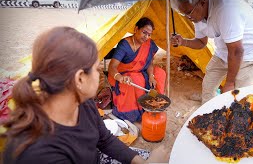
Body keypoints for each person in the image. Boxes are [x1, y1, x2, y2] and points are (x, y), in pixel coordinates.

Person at [2, 27, 168, 164]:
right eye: (96, 69)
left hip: (96, 158)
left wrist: (142, 163)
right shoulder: (37, 153)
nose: (98, 75)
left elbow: (104, 139)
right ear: (80, 78)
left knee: (146, 156)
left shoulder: (83, 102)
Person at [170, 0, 253, 104]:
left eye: (188, 13)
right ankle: (208, 104)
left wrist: (229, 83)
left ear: (202, 3)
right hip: (226, 48)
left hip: (250, 50)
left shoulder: (226, 9)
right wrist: (183, 41)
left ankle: (230, 114)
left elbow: (237, 51)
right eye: (184, 14)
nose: (188, 18)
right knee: (209, 81)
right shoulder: (197, 14)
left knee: (237, 93)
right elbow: (201, 42)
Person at [108, 17, 166, 123]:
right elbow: (112, 67)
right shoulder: (125, 44)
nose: (146, 37)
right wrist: (120, 77)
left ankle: (154, 103)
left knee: (160, 74)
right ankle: (135, 112)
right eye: (144, 32)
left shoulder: (149, 44)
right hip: (122, 75)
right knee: (135, 79)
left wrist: (151, 76)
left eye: (149, 34)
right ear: (136, 29)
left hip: (142, 71)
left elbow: (149, 62)